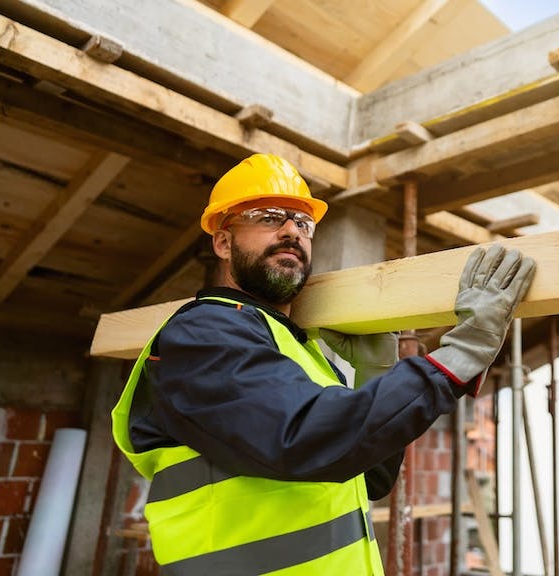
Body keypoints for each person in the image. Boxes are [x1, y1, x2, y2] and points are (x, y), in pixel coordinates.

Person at [111, 153, 536, 575]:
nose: (291, 231)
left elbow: (368, 477)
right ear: (223, 242)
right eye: (267, 216)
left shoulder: (293, 350)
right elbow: (304, 439)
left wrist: (376, 374)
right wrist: (459, 357)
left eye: (302, 223)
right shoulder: (203, 335)